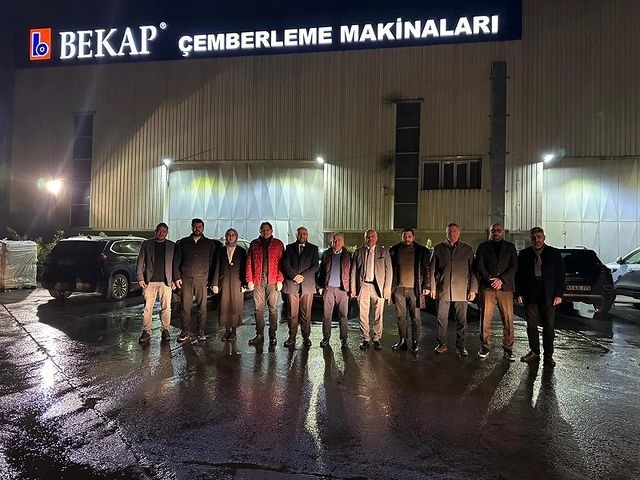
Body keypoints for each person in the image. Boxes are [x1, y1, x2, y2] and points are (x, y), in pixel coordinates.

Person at [515, 226, 565, 367]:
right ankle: (534, 352)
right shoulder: (524, 254)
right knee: (531, 325)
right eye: (534, 237)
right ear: (530, 238)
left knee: (548, 326)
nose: (536, 240)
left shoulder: (554, 253)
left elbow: (561, 275)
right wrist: (519, 293)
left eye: (539, 237)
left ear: (544, 237)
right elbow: (519, 276)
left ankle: (548, 355)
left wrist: (559, 294)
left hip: (548, 293)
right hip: (530, 293)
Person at [429, 223, 478, 356]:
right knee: (441, 319)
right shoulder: (438, 248)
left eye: (455, 231)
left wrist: (473, 289)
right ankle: (442, 344)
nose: (452, 233)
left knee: (462, 320)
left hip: (461, 290)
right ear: (446, 233)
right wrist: (432, 287)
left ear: (459, 232)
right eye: (450, 231)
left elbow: (473, 271)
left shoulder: (467, 249)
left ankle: (461, 346)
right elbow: (432, 270)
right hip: (442, 289)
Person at [173, 218, 222, 343]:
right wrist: (177, 277)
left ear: (203, 228)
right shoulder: (183, 242)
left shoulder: (209, 244)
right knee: (185, 307)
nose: (197, 229)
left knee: (202, 307)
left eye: (200, 227)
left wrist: (211, 281)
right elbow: (176, 260)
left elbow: (213, 263)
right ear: (191, 227)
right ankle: (184, 331)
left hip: (202, 280)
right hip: (186, 279)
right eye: (195, 226)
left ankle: (200, 331)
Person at [474, 223, 518, 361]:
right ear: (490, 232)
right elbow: (479, 265)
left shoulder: (510, 247)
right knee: (485, 318)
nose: (496, 232)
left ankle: (508, 348)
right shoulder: (483, 247)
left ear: (503, 232)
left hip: (505, 288)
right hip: (487, 287)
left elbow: (514, 266)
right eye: (493, 230)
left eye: (498, 230)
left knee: (508, 319)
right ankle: (485, 346)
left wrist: (501, 280)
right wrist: (489, 279)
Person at [389, 228, 430, 354]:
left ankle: (415, 342)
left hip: (415, 289)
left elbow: (426, 268)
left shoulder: (422, 251)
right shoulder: (394, 250)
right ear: (401, 237)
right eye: (405, 236)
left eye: (409, 236)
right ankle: (402, 340)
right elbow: (389, 269)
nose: (407, 238)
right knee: (401, 317)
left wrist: (427, 286)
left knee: (416, 318)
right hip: (399, 289)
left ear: (413, 237)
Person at [350, 229, 392, 350]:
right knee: (363, 314)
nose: (370, 238)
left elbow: (389, 271)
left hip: (378, 287)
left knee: (378, 314)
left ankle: (377, 338)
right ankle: (365, 338)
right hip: (363, 285)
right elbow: (353, 271)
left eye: (373, 236)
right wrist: (353, 288)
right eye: (368, 236)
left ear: (376, 238)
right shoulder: (358, 252)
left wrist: (387, 289)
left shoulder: (384, 252)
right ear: (365, 238)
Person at [246, 221, 285, 346]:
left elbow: (282, 263)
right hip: (258, 281)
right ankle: (259, 334)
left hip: (273, 282)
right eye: (263, 229)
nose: (265, 231)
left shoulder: (278, 244)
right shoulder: (254, 244)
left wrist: (280, 279)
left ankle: (272, 334)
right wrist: (249, 279)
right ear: (260, 231)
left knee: (273, 309)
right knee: (258, 309)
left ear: (271, 231)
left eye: (267, 229)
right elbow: (249, 262)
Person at [136, 222, 176, 344]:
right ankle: (146, 331)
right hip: (149, 282)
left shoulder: (172, 246)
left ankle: (165, 330)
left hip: (166, 282)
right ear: (155, 231)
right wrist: (140, 277)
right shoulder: (147, 244)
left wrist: (175, 279)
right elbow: (140, 261)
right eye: (159, 230)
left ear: (167, 232)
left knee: (166, 308)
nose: (161, 233)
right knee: (147, 309)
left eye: (164, 231)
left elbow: (175, 264)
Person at [281, 226, 320, 349]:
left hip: (307, 286)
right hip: (292, 285)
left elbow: (315, 266)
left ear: (307, 235)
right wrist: (294, 276)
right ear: (296, 235)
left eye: (304, 234)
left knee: (306, 314)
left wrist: (301, 277)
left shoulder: (313, 248)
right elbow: (285, 264)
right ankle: (292, 337)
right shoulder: (289, 248)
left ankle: (306, 337)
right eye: (300, 234)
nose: (302, 236)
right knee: (292, 314)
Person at [211, 228, 247, 342]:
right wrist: (215, 283)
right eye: (228, 235)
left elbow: (245, 268)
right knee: (224, 306)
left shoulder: (241, 251)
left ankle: (234, 332)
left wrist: (245, 283)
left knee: (236, 307)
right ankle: (227, 331)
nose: (230, 237)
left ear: (236, 237)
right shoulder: (221, 251)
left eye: (233, 235)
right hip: (224, 282)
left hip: (238, 282)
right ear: (226, 237)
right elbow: (216, 266)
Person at [317, 233, 352, 349]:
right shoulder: (326, 254)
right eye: (334, 240)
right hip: (328, 289)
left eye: (339, 240)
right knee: (327, 315)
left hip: (343, 290)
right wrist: (320, 286)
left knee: (343, 315)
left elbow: (352, 272)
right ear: (331, 242)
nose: (337, 242)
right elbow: (321, 271)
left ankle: (344, 339)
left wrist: (351, 289)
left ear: (343, 242)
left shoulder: (348, 255)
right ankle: (326, 338)